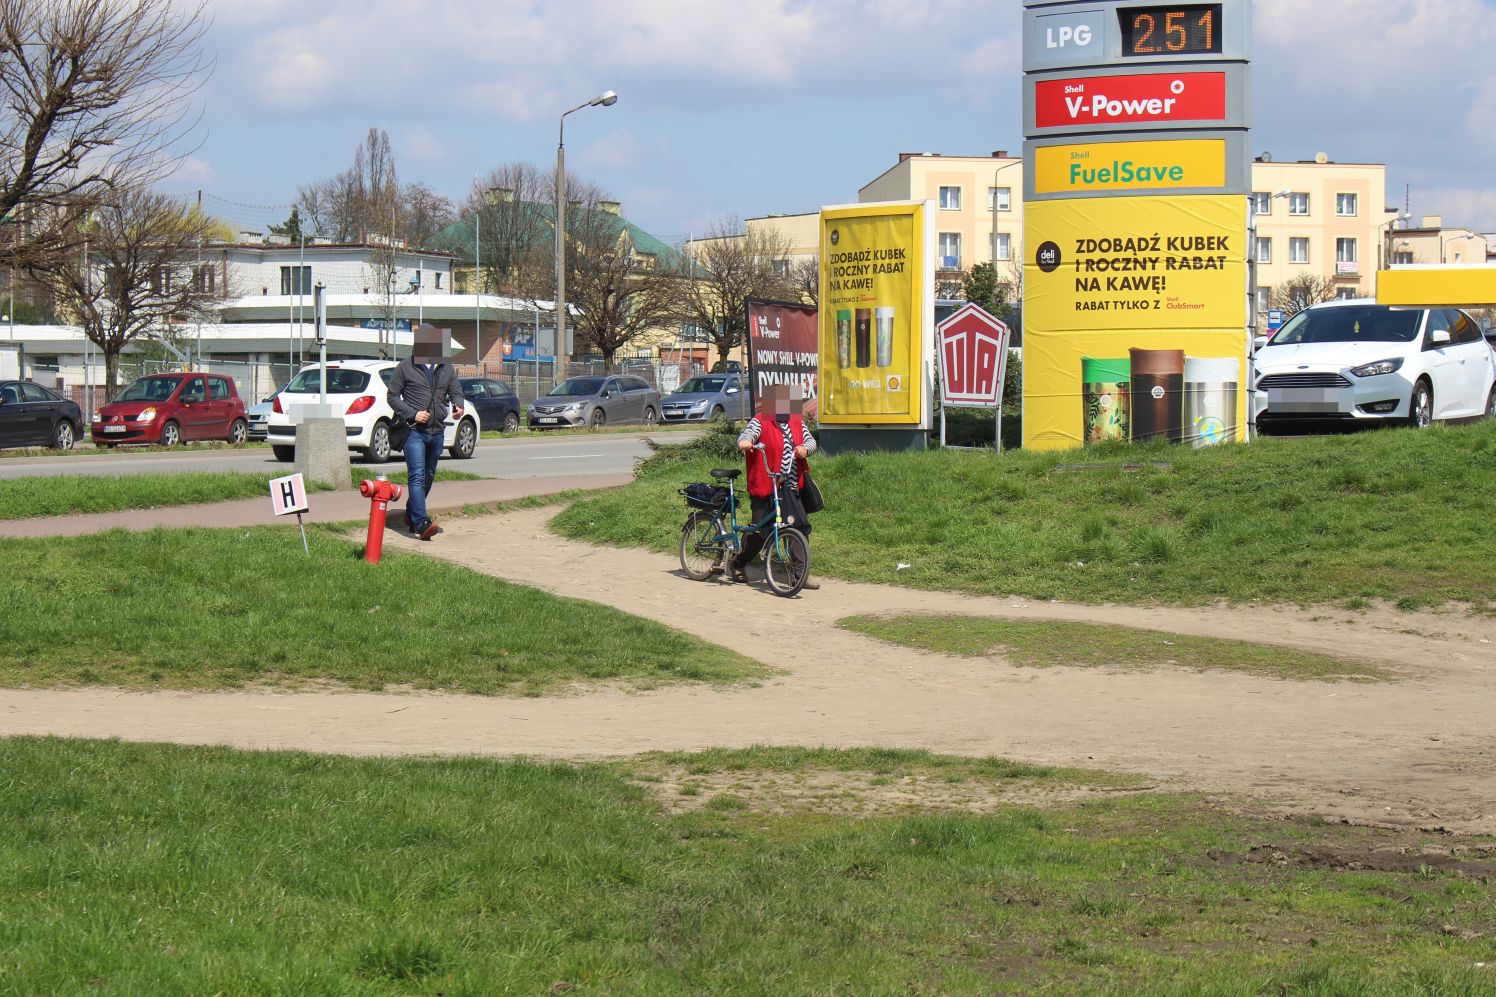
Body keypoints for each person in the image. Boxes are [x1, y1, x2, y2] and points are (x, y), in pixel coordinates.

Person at [727, 383, 819, 589]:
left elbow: (811, 441)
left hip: (791, 487)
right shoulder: (761, 421)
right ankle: (739, 563)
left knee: (797, 528)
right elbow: (746, 434)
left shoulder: (797, 422)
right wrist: (745, 442)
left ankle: (799, 574)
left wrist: (805, 448)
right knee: (759, 531)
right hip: (765, 487)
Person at [387, 324, 466, 540]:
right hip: (414, 431)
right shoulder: (405, 366)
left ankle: (412, 513)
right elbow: (392, 397)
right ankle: (421, 524)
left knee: (429, 476)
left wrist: (458, 405)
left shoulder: (446, 367)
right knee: (417, 475)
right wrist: (413, 414)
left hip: (437, 431)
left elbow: (456, 391)